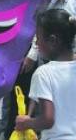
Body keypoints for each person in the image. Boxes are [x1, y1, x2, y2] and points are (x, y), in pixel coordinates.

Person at [14, 8, 76, 139]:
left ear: (53, 41)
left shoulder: (44, 73)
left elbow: (47, 120)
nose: (36, 43)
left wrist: (25, 123)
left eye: (38, 37)